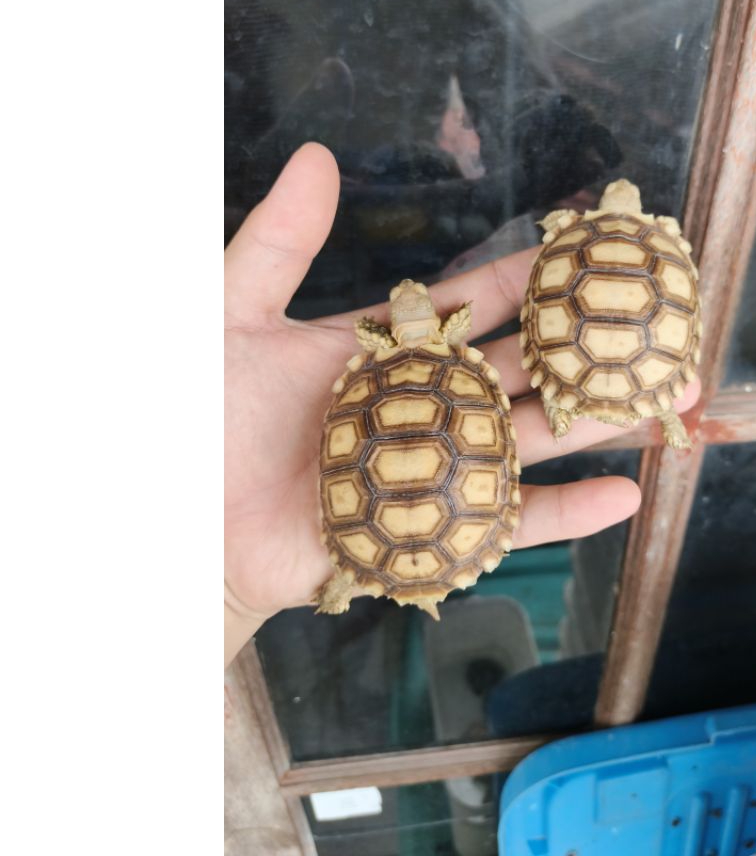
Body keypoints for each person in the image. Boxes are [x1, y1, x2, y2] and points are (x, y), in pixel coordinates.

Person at [225, 143, 700, 667]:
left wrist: (229, 596)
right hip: (446, 503)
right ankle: (629, 405)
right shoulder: (451, 361)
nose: (411, 292)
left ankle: (346, 571)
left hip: (385, 528)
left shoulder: (373, 370)